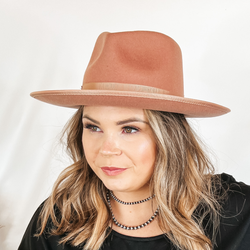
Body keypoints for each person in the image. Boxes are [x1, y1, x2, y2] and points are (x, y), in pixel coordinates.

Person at [18, 31, 250, 250]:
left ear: (170, 137)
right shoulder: (59, 219)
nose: (106, 150)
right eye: (93, 127)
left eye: (129, 129)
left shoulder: (236, 213)